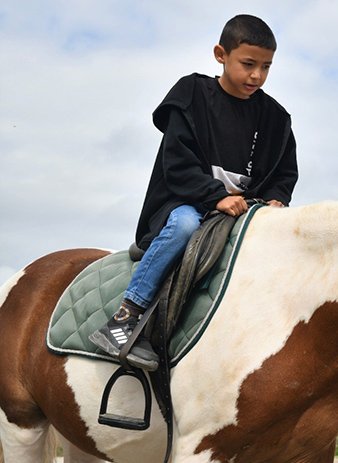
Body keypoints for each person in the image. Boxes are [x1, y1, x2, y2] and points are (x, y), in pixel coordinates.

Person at [89, 14, 298, 371]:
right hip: (184, 201)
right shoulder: (191, 95)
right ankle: (125, 318)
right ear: (221, 54)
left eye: (266, 67)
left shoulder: (276, 118)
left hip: (246, 210)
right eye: (248, 64)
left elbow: (284, 171)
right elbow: (177, 163)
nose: (257, 76)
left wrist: (277, 197)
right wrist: (215, 196)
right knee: (185, 225)